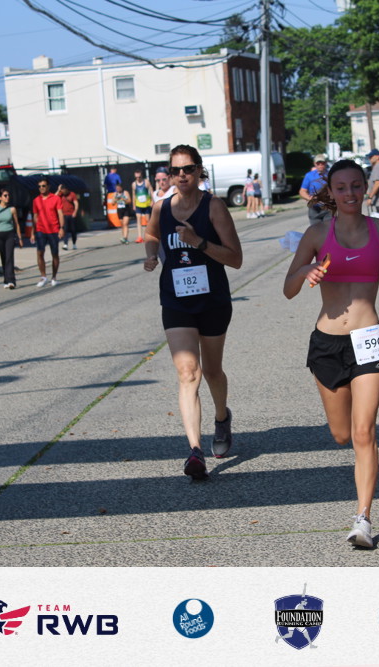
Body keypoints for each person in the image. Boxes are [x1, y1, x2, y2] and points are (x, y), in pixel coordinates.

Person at [283, 158, 379, 548]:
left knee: (363, 431)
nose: (350, 193)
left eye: (356, 185)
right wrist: (305, 271)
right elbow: (288, 289)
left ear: (365, 187)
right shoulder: (316, 234)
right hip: (328, 342)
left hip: (369, 339)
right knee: (342, 434)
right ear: (332, 192)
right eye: (341, 188)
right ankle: (362, 507)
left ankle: (363, 519)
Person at [143, 145, 243, 480]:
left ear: (200, 170)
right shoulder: (161, 207)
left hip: (213, 300)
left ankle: (221, 417)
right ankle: (195, 451)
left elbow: (236, 258)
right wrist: (151, 254)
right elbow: (151, 233)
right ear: (169, 174)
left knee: (212, 371)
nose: (182, 175)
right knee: (188, 373)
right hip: (176, 301)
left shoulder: (214, 207)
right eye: (176, 170)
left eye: (188, 169)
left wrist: (198, 241)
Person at [30, 177, 64, 286]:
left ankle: (54, 277)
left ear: (48, 186)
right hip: (40, 230)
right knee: (40, 253)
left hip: (53, 230)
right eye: (39, 186)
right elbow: (35, 217)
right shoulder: (36, 200)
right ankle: (43, 277)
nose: (41, 188)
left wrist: (61, 228)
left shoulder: (56, 198)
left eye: (43, 186)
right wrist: (32, 232)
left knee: (55, 254)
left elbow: (60, 214)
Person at [0, 188, 23, 289]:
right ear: (0, 198)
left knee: (9, 257)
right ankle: (6, 280)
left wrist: (20, 238)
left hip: (9, 234)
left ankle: (11, 281)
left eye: (8, 195)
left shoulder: (12, 209)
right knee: (3, 257)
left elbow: (17, 224)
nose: (7, 197)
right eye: (5, 195)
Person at [300, 154, 331, 225]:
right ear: (314, 164)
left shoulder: (330, 175)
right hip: (314, 209)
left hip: (328, 208)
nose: (320, 165)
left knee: (328, 229)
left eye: (322, 163)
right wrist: (309, 198)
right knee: (316, 229)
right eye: (318, 163)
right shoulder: (309, 175)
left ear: (326, 163)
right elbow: (302, 191)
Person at [57, 184, 81, 250]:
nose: (63, 192)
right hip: (64, 215)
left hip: (71, 214)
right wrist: (58, 190)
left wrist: (75, 212)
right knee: (65, 229)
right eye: (62, 191)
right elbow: (54, 197)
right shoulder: (60, 194)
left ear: (67, 190)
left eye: (64, 190)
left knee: (73, 230)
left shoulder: (72, 194)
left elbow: (76, 203)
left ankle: (74, 243)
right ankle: (65, 244)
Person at [131, 169, 152, 242]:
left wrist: (152, 201)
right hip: (138, 204)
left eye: (139, 177)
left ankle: (149, 235)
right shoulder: (134, 184)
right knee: (138, 219)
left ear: (141, 176)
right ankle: (139, 236)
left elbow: (151, 191)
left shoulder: (146, 182)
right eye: (136, 177)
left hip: (146, 204)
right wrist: (134, 205)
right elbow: (133, 195)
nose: (138, 178)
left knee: (148, 220)